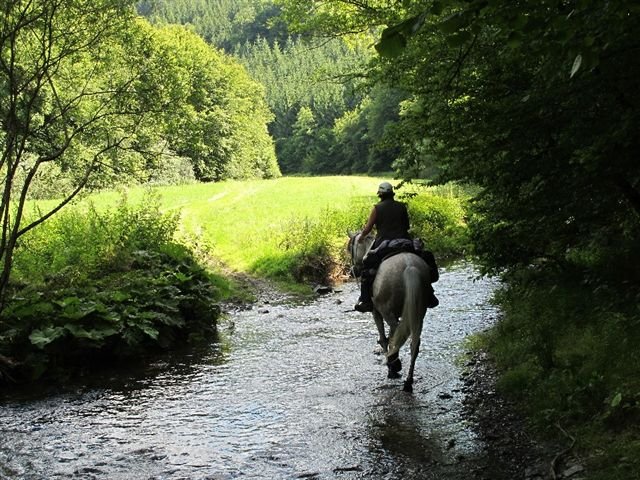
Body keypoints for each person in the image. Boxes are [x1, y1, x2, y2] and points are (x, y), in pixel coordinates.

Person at [354, 181, 439, 312]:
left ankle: (365, 301)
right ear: (392, 194)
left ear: (380, 194)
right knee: (425, 257)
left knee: (366, 269)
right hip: (405, 241)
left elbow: (368, 228)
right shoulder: (401, 206)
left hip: (385, 244)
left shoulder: (376, 208)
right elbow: (407, 226)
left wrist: (361, 236)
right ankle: (430, 294)